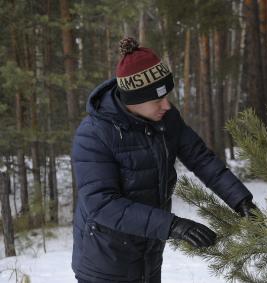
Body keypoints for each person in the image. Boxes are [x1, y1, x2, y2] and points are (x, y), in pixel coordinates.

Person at [71, 37, 257, 283]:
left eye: (167, 96)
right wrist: (173, 226)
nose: (167, 105)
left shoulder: (166, 119)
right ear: (133, 100)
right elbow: (102, 204)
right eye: (157, 99)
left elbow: (201, 159)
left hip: (148, 254)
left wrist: (240, 200)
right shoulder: (94, 134)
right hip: (105, 263)